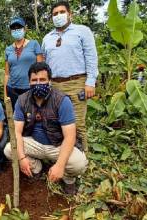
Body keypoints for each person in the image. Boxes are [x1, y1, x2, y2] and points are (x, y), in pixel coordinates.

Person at [4, 62, 88, 194]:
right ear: (29, 82)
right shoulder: (22, 100)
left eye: (42, 79)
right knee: (9, 150)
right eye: (34, 80)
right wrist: (22, 158)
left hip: (58, 145)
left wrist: (60, 166)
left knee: (79, 164)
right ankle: (37, 168)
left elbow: (70, 136)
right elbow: (17, 133)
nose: (38, 83)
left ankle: (68, 178)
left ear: (49, 81)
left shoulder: (61, 100)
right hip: (34, 143)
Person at [41, 1, 99, 151]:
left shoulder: (82, 31)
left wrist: (90, 82)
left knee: (78, 123)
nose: (58, 16)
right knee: (56, 121)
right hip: (54, 86)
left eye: (61, 12)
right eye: (55, 14)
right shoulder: (47, 38)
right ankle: (63, 156)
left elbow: (91, 57)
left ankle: (81, 159)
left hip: (77, 83)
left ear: (69, 14)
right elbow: (44, 64)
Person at [4, 16, 43, 108]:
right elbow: (6, 73)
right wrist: (5, 94)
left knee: (32, 116)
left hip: (30, 87)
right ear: (10, 31)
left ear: (24, 29)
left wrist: (40, 87)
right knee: (17, 117)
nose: (16, 30)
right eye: (13, 28)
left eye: (19, 28)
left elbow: (41, 68)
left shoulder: (34, 44)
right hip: (12, 89)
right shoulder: (8, 49)